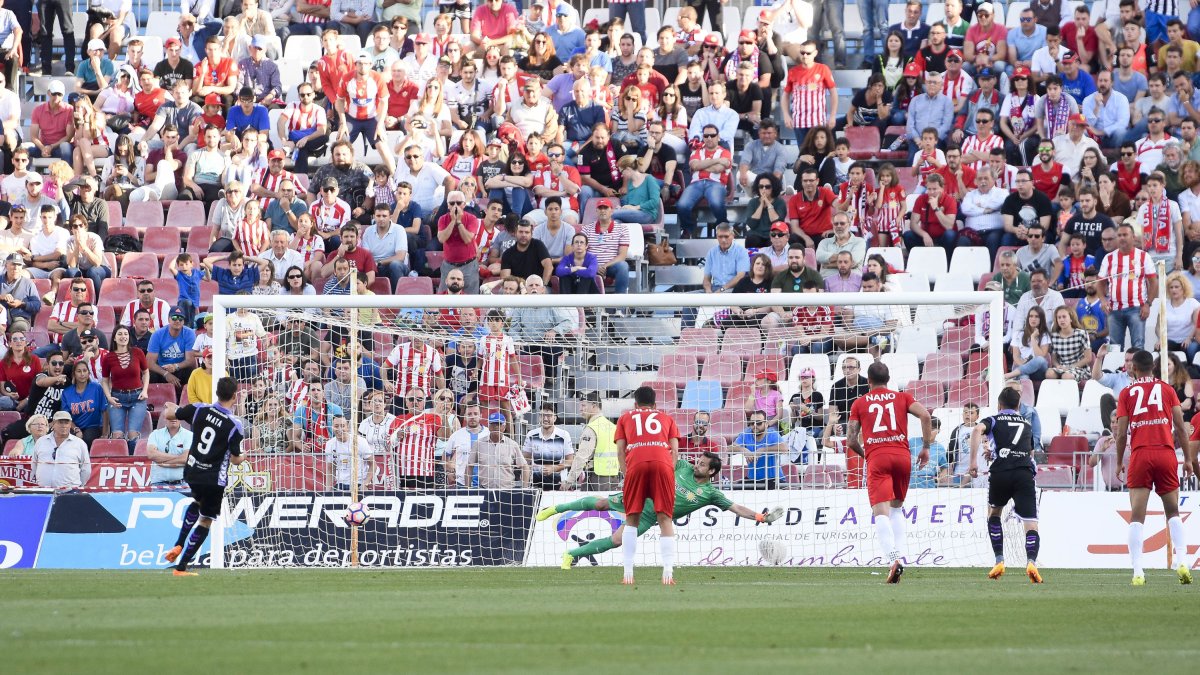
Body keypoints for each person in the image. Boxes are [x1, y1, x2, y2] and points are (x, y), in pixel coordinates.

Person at [539, 450, 784, 569]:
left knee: (616, 540)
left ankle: (572, 555)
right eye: (697, 461)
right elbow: (663, 458)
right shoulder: (683, 467)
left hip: (651, 516)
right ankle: (556, 508)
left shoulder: (711, 494)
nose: (696, 464)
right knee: (602, 504)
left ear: (711, 472)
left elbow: (736, 507)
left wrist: (761, 517)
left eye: (701, 464)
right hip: (641, 497)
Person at [847, 361, 934, 583]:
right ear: (888, 379)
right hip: (902, 456)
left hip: (878, 457)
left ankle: (893, 559)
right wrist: (925, 447)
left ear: (868, 381)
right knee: (896, 510)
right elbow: (925, 416)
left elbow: (850, 439)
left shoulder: (859, 403)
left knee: (881, 513)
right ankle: (901, 558)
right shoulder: (902, 397)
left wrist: (866, 453)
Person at [1117, 350, 1196, 586]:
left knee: (1137, 516)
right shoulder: (1167, 390)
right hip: (1165, 453)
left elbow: (1121, 433)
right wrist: (1189, 460)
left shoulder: (1126, 393)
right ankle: (1182, 561)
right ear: (1153, 367)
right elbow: (1181, 428)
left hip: (1141, 453)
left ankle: (1138, 571)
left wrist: (1120, 460)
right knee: (1173, 512)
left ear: (1134, 369)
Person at [162, 377, 246, 576]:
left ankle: (179, 542)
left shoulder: (199, 409)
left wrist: (172, 406)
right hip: (213, 478)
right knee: (206, 520)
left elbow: (170, 413)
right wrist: (244, 457)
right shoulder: (235, 425)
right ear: (235, 396)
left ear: (217, 392)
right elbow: (234, 460)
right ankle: (181, 567)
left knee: (196, 501)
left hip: (192, 471)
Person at [967, 386, 1044, 583]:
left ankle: (999, 560)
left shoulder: (993, 419)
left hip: (1001, 472)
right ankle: (1032, 562)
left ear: (999, 404)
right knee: (1031, 524)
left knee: (994, 514)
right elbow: (1029, 452)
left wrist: (973, 462)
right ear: (1018, 405)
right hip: (1024, 473)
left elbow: (977, 430)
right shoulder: (1026, 423)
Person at [609, 385, 680, 585]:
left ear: (635, 404)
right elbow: (674, 451)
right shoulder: (666, 418)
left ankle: (628, 575)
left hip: (636, 465)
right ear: (655, 404)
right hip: (662, 465)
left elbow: (620, 451)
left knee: (631, 519)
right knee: (665, 519)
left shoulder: (625, 418)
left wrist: (627, 473)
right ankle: (668, 574)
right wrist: (669, 471)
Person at [1099, 223, 1157, 350]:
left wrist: (1148, 304)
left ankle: (1138, 370)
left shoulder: (1143, 256)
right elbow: (1100, 282)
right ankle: (1115, 370)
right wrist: (1103, 300)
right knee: (1114, 346)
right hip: (1114, 309)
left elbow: (1153, 282)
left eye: (1125, 235)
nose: (1121, 238)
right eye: (1119, 235)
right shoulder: (1108, 258)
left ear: (1133, 237)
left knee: (1138, 345)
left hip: (1137, 308)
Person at [101, 325, 149, 452]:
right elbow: (105, 380)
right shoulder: (108, 357)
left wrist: (145, 390)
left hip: (137, 396)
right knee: (118, 436)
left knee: (133, 435)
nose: (123, 337)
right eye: (120, 334)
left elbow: (146, 372)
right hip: (117, 398)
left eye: (126, 334)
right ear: (115, 338)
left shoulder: (138, 352)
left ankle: (132, 461)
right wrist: (109, 397)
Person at [467, 412, 531, 489]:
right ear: (489, 427)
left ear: (504, 427)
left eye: (499, 424)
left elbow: (525, 467)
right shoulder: (478, 444)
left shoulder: (512, 445)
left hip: (507, 491)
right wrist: (467, 489)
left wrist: (524, 489)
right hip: (485, 490)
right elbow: (469, 466)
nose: (496, 427)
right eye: (493, 424)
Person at [32, 410, 91, 490]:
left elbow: (86, 469)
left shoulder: (80, 444)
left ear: (70, 425)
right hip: (44, 491)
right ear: (53, 424)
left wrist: (77, 486)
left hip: (70, 493)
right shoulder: (41, 441)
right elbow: (34, 464)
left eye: (66, 422)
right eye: (60, 422)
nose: (64, 425)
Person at [146, 414, 193, 487]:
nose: (173, 418)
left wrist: (163, 462)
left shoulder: (189, 435)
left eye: (176, 416)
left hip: (183, 484)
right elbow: (151, 454)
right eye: (170, 416)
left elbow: (186, 458)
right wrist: (179, 457)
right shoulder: (155, 434)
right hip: (158, 484)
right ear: (165, 418)